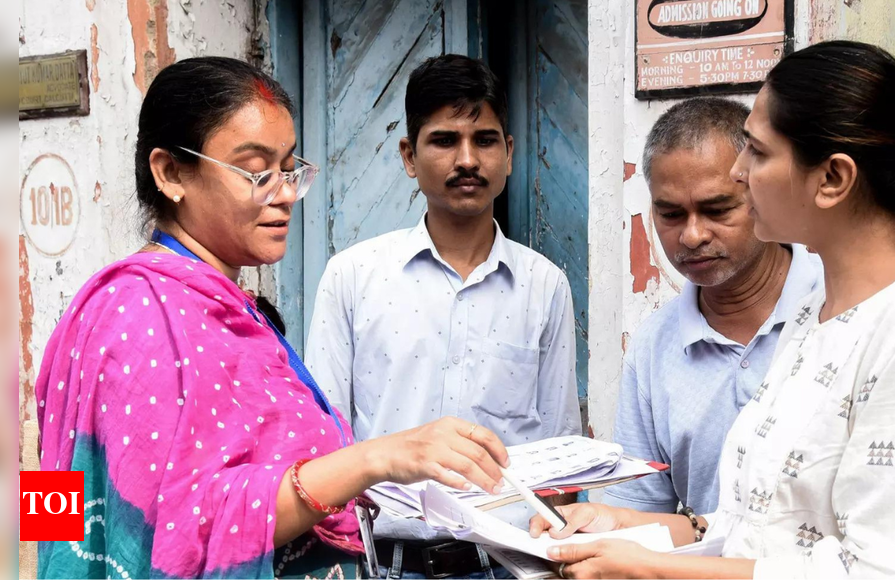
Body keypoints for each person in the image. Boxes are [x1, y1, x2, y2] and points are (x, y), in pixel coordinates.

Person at [529, 40, 895, 579]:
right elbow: (760, 531)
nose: (739, 174)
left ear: (832, 179)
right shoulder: (819, 310)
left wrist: (652, 571)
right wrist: (623, 527)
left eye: (757, 151)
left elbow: (882, 572)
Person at [34, 57, 511, 580]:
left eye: (288, 169)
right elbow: (174, 525)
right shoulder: (139, 312)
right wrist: (376, 460)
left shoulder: (228, 307)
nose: (284, 193)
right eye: (256, 171)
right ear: (170, 172)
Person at [305, 54, 580, 578]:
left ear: (510, 154)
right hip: (385, 564)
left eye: (485, 139)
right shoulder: (353, 277)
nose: (468, 159)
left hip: (509, 564)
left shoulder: (544, 286)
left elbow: (560, 455)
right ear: (409, 156)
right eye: (444, 140)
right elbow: (326, 442)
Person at [604, 97, 821, 517]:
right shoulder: (654, 348)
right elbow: (642, 518)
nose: (692, 235)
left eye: (717, 209)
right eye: (670, 214)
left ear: (760, 190)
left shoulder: (836, 304)